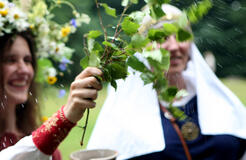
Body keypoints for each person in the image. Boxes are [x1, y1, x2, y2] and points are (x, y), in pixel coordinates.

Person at [87, 4, 246, 160]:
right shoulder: (126, 110)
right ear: (142, 49)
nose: (174, 46)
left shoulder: (216, 98)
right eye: (161, 38)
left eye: (181, 36)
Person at [0, 1, 102, 160]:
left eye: (27, 60)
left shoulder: (45, 145)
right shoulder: (44, 142)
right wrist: (64, 118)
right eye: (10, 60)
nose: (23, 69)